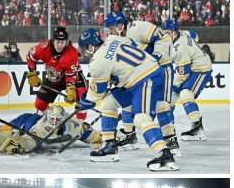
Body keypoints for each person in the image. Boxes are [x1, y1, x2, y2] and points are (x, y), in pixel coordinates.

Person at [76, 27, 176, 170]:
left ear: (90, 46)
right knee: (108, 102)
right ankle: (109, 146)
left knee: (141, 118)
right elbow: (130, 50)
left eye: (85, 48)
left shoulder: (98, 62)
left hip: (144, 79)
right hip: (141, 76)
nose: (85, 52)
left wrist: (85, 101)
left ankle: (165, 155)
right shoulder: (114, 39)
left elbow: (96, 93)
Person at [164, 21, 212, 140]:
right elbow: (195, 34)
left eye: (167, 33)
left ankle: (197, 129)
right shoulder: (183, 33)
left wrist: (174, 87)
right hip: (195, 66)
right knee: (172, 96)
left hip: (201, 68)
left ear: (174, 32)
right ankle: (167, 127)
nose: (164, 36)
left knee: (184, 94)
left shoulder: (179, 49)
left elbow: (183, 73)